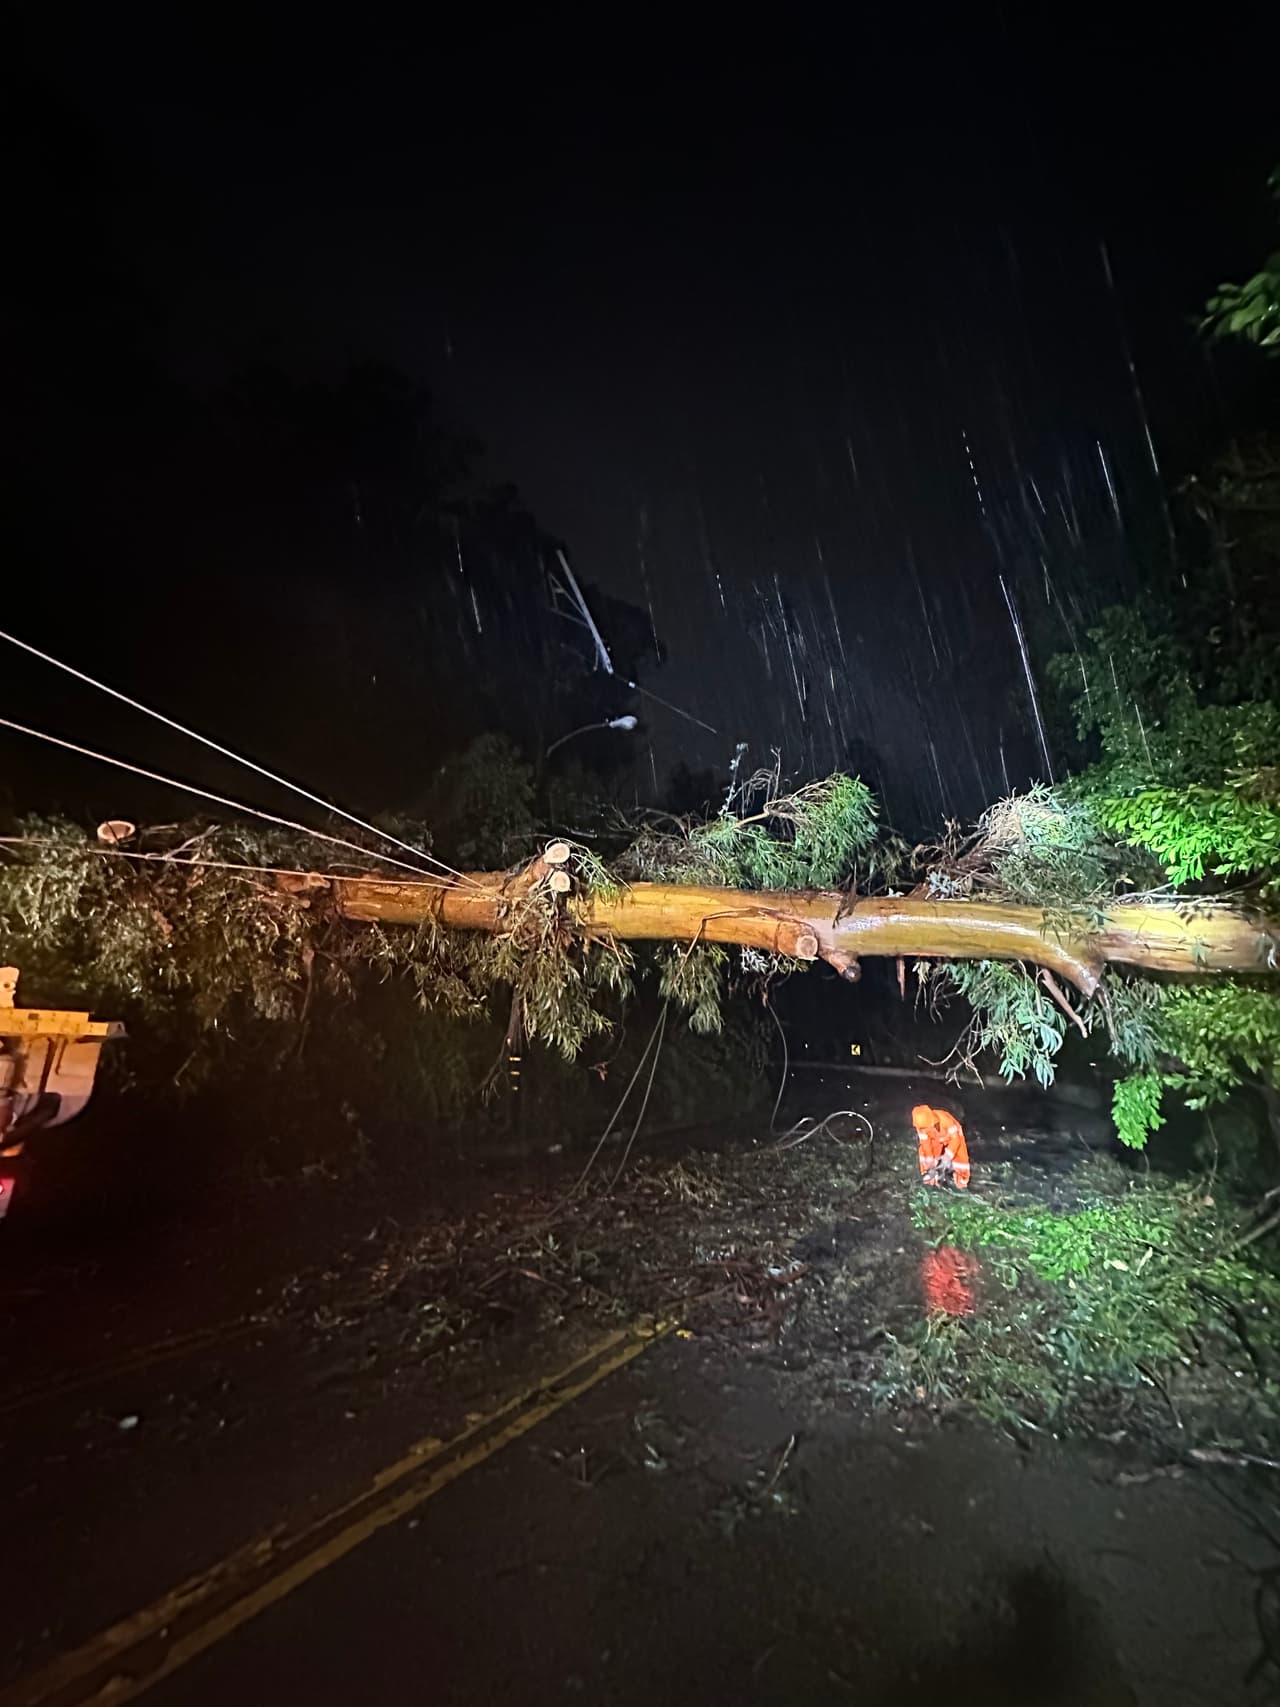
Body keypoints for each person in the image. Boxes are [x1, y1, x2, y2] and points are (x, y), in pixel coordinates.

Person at [911, 1104, 971, 1189]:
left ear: (933, 1122)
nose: (924, 1130)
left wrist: (947, 1157)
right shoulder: (920, 1127)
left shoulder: (946, 1120)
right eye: (922, 1128)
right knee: (924, 1153)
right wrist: (930, 1165)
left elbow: (956, 1140)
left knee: (960, 1156)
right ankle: (931, 1179)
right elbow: (926, 1145)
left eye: (926, 1128)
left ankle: (961, 1180)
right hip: (935, 1138)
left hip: (953, 1136)